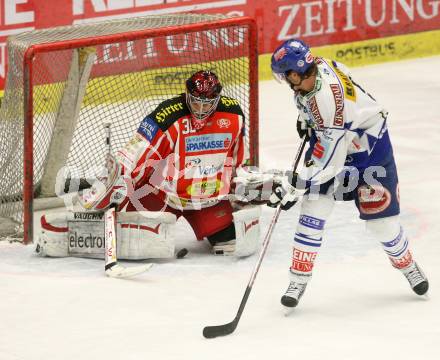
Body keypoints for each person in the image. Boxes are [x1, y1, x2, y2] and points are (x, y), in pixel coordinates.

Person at [268, 39, 429, 309]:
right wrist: (307, 120)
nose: (286, 81)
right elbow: (339, 75)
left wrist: (295, 186)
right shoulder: (318, 68)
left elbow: (330, 161)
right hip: (335, 138)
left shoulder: (329, 102)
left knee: (382, 224)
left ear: (296, 72)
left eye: (286, 75)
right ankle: (298, 279)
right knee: (313, 210)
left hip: (368, 150)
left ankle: (407, 264)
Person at [74, 70, 261, 258]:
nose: (201, 110)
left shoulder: (233, 114)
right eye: (196, 102)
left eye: (207, 104)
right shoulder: (168, 115)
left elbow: (236, 160)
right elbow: (137, 154)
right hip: (162, 196)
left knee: (230, 242)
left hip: (207, 200)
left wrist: (241, 187)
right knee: (135, 242)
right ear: (187, 95)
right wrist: (117, 186)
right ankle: (96, 223)